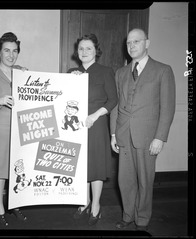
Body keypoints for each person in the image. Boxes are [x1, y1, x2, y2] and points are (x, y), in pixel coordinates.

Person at [110, 28, 176, 231]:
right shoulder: (121, 73)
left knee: (145, 181)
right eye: (129, 42)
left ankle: (142, 219)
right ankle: (128, 215)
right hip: (123, 134)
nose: (131, 46)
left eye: (136, 41)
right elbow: (116, 105)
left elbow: (168, 107)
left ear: (147, 43)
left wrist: (160, 137)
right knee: (125, 180)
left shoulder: (163, 70)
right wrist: (113, 133)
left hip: (148, 137)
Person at [67, 33, 118, 226]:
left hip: (96, 126)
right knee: (81, 166)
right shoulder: (72, 72)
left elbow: (113, 99)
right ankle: (84, 201)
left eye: (89, 48)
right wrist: (70, 81)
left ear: (96, 51)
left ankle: (96, 205)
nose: (84, 52)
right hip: (76, 127)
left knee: (95, 167)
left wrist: (95, 116)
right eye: (81, 48)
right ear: (76, 52)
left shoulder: (106, 71)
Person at [0, 32, 27, 226]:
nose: (11, 55)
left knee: (18, 167)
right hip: (1, 127)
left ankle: (15, 204)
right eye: (6, 51)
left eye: (14, 51)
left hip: (21, 127)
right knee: (0, 168)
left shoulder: (21, 71)